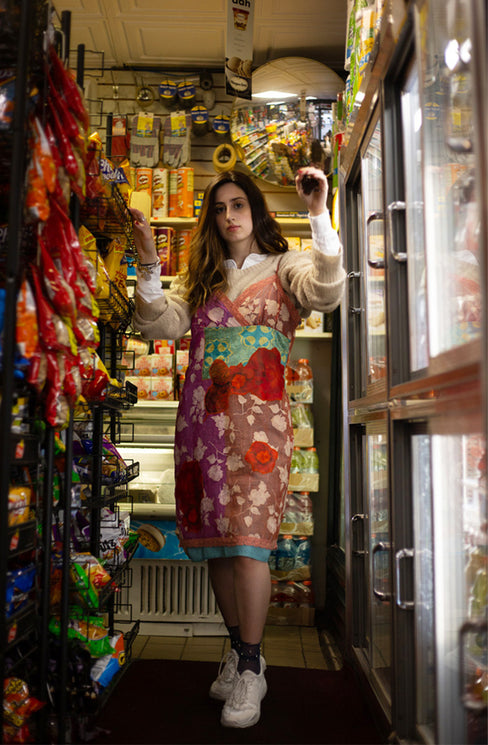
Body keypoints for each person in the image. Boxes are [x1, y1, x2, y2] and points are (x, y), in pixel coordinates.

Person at [129, 167, 344, 729]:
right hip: (200, 427)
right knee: (218, 548)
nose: (229, 216)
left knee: (250, 546)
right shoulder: (199, 281)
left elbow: (328, 291)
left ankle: (252, 668)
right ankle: (236, 648)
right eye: (220, 208)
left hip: (260, 432)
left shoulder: (287, 266)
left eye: (238, 204)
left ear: (256, 210)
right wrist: (150, 257)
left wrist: (318, 213)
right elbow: (158, 326)